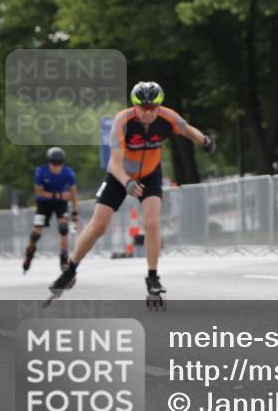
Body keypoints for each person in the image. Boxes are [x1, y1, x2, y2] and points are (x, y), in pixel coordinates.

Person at [46, 81, 215, 306]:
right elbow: (114, 164)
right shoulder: (122, 121)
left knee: (152, 223)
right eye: (143, 108)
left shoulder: (167, 116)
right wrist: (127, 182)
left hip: (150, 174)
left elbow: (187, 129)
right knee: (98, 226)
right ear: (134, 106)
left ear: (159, 106)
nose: (148, 113)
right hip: (120, 176)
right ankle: (70, 270)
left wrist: (205, 140)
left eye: (153, 108)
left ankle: (152, 277)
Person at [23, 147, 78, 273]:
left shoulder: (68, 172)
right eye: (54, 164)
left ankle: (64, 258)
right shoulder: (41, 172)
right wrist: (58, 195)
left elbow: (74, 194)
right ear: (49, 162)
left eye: (59, 164)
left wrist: (75, 213)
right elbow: (39, 192)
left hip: (60, 204)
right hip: (44, 203)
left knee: (64, 229)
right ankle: (29, 253)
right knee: (36, 234)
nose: (56, 167)